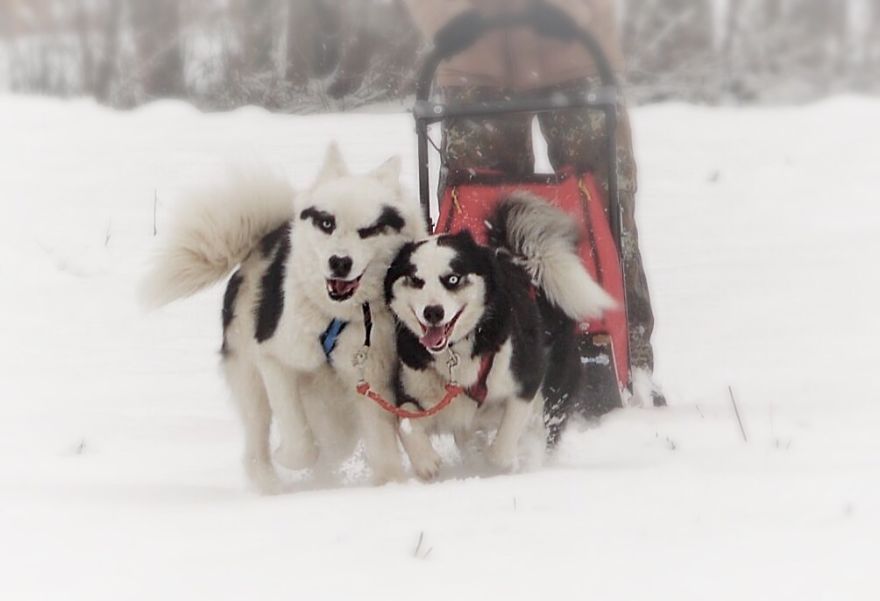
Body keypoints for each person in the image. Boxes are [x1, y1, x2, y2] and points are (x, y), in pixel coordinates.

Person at [403, 0, 665, 406]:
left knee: (609, 215)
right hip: (474, 60)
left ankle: (629, 361)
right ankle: (473, 362)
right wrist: (449, 18)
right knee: (472, 224)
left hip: (576, 55)